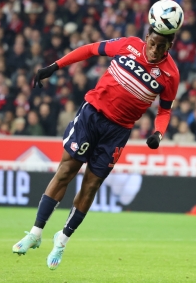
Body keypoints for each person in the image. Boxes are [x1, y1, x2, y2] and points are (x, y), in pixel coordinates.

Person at [12, 26, 180, 270]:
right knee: (66, 171)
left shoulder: (170, 74)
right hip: (92, 115)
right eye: (152, 43)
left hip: (118, 131)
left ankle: (62, 239)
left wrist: (158, 133)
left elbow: (165, 110)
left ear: (169, 47)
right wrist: (55, 66)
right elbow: (90, 49)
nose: (154, 50)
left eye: (161, 47)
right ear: (146, 38)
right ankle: (36, 233)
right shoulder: (127, 45)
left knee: (91, 185)